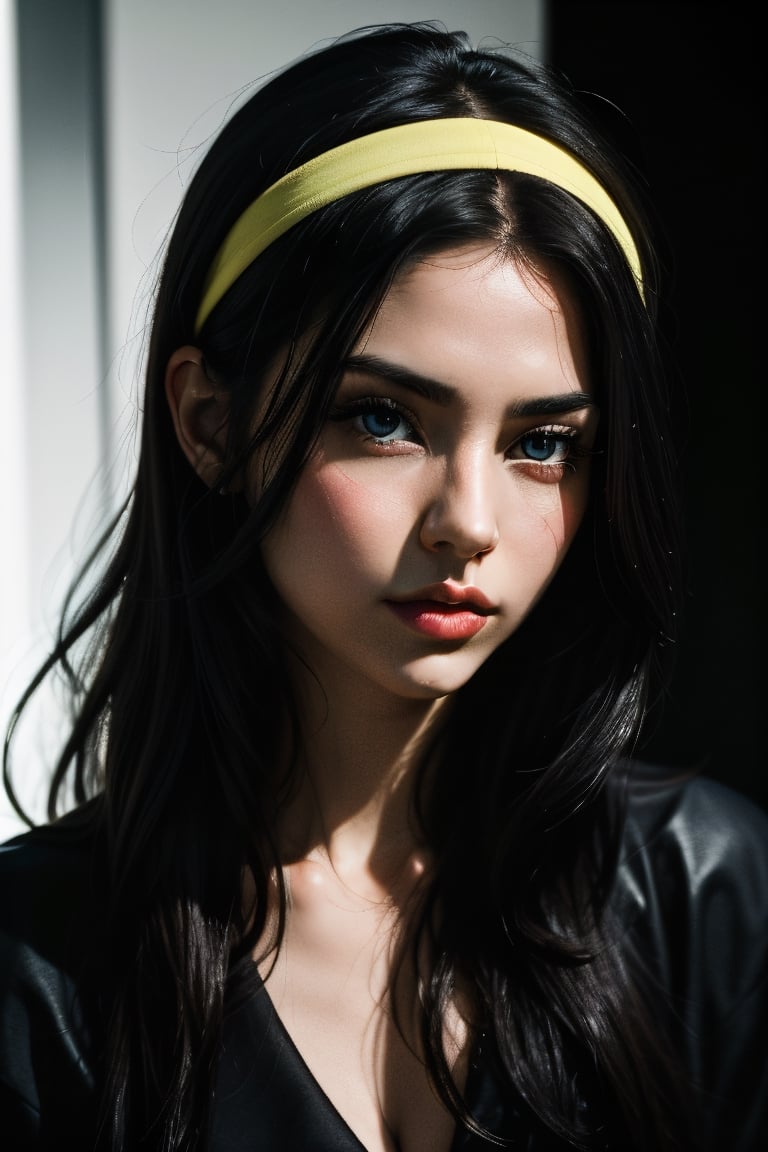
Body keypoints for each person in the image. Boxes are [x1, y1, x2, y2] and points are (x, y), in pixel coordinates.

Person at [1, 20, 766, 1152]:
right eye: (383, 419)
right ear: (210, 421)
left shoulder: (704, 892)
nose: (469, 522)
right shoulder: (39, 968)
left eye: (542, 443)